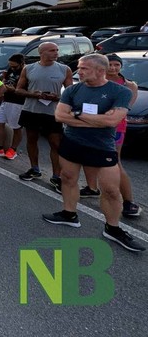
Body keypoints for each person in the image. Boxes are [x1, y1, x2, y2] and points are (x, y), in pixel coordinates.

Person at [43, 54, 144, 252]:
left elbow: (112, 121)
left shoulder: (119, 91)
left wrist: (77, 114)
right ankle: (69, 214)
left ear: (100, 70)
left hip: (102, 146)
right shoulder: (73, 89)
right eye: (79, 68)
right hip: (72, 142)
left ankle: (112, 228)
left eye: (84, 69)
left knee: (111, 190)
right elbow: (60, 115)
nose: (78, 72)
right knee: (68, 178)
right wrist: (94, 118)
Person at [79, 54, 141, 218]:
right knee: (89, 157)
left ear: (121, 66)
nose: (113, 68)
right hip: (91, 126)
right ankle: (92, 188)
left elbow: (124, 108)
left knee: (115, 162)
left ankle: (128, 202)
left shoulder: (129, 85)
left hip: (115, 128)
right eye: (110, 65)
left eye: (116, 65)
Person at [15, 42, 73, 191]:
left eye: (57, 50)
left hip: (52, 112)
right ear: (42, 53)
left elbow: (70, 93)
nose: (56, 53)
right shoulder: (29, 68)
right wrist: (33, 94)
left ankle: (56, 177)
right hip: (31, 110)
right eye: (52, 50)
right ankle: (34, 169)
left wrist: (57, 97)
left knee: (55, 143)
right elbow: (19, 90)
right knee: (32, 139)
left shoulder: (64, 69)